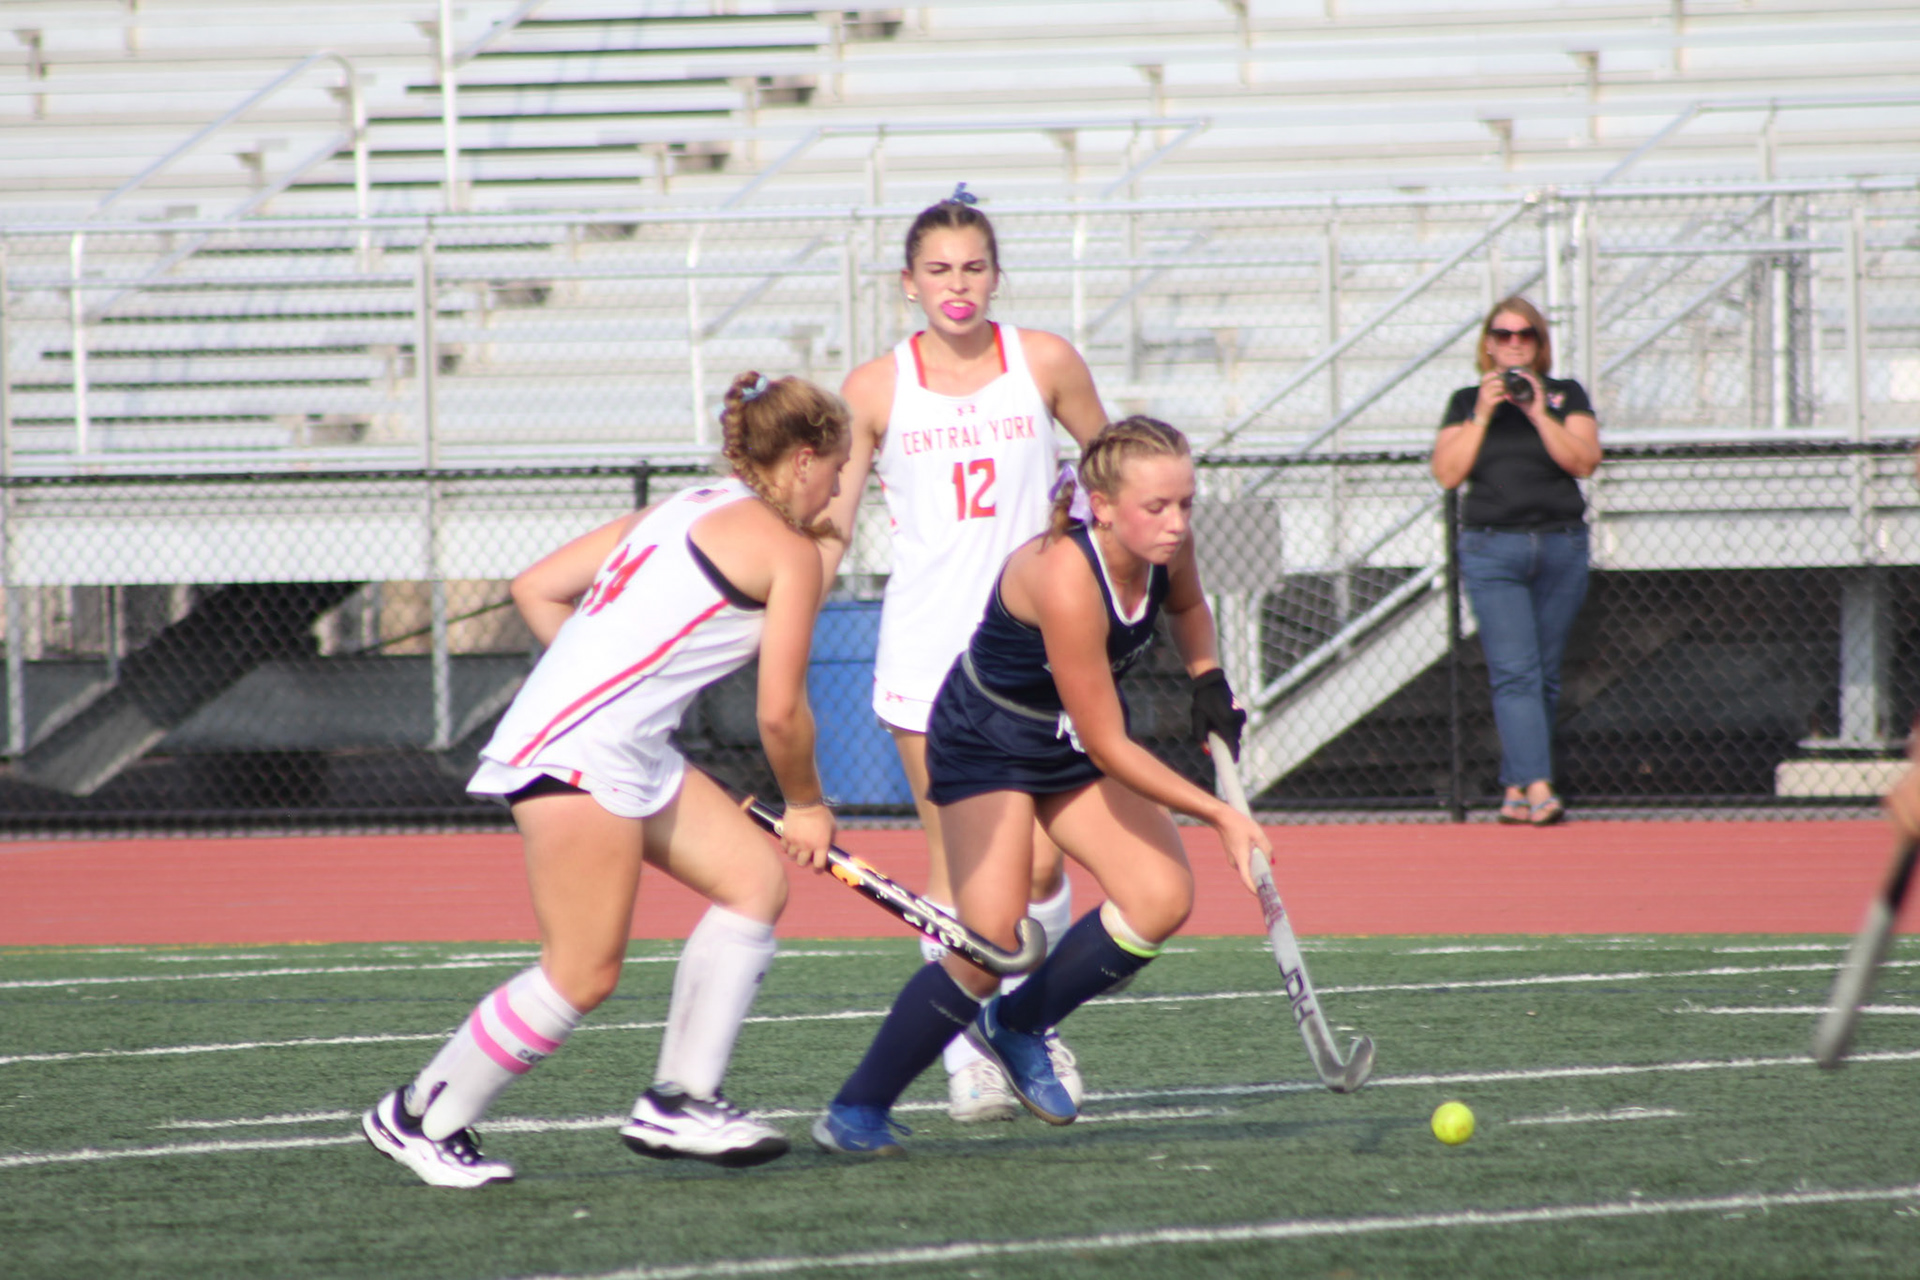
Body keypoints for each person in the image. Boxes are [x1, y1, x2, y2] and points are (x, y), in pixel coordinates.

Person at [361, 371, 850, 1188]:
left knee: (753, 884)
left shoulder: (685, 504)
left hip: (621, 746)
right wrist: (807, 804)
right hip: (578, 754)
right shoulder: (787, 550)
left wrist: (612, 689)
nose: (836, 492)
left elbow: (535, 588)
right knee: (582, 971)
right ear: (803, 459)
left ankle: (682, 1101)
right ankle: (417, 1116)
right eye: (836, 471)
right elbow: (781, 713)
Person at [811, 417, 1265, 1156]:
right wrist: (1221, 814)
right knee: (989, 944)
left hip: (1065, 739)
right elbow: (1110, 743)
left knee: (1160, 897)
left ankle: (1020, 1026)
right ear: (1102, 506)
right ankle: (856, 1108)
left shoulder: (1164, 548)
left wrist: (1207, 675)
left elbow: (1186, 607)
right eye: (1157, 507)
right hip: (987, 740)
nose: (1177, 523)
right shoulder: (1064, 577)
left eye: (1186, 503)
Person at [820, 183, 1110, 1122]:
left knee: (1042, 869)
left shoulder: (1045, 361)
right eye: (939, 270)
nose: (957, 284)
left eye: (974, 267)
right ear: (908, 283)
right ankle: (964, 1054)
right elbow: (831, 524)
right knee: (959, 872)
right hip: (928, 658)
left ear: (996, 276)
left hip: (1035, 658)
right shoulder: (875, 387)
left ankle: (1025, 1022)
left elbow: (1115, 471)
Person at [1431, 296, 1602, 827]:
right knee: (1515, 673)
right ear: (1487, 343)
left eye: (1524, 334)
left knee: (1543, 675)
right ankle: (1540, 788)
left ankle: (1515, 784)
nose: (1513, 343)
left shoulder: (1566, 395)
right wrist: (1484, 413)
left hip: (1560, 545)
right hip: (1493, 549)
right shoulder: (1465, 401)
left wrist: (1537, 412)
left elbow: (1584, 461)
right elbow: (1448, 473)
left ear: (1539, 343)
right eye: (1502, 334)